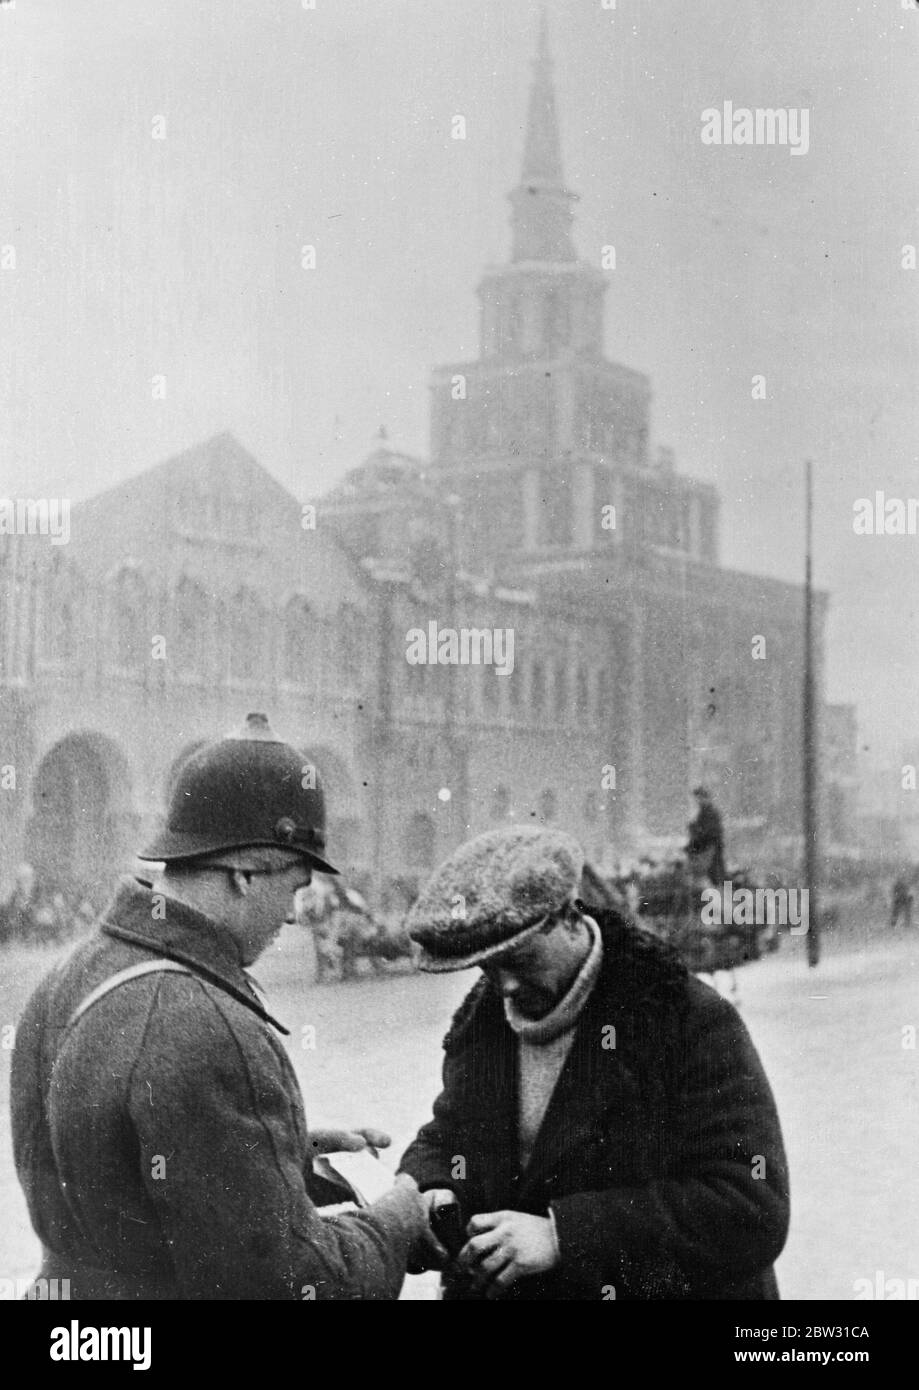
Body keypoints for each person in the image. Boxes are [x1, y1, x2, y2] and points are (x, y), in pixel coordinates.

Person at [11, 712, 430, 1300]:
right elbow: (291, 1286)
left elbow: (115, 1166)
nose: (291, 914)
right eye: (294, 885)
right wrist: (398, 1218)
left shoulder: (69, 973)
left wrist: (276, 1148)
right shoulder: (205, 1023)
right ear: (244, 873)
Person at [399, 825, 790, 1300]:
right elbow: (448, 1134)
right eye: (486, 968)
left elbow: (751, 1207)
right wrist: (432, 1187)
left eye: (519, 960)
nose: (503, 987)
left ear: (566, 916)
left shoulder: (685, 1020)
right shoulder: (483, 1027)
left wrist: (564, 1234)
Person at [686, 785, 727, 885]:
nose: (697, 801)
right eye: (697, 798)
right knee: (714, 877)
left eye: (699, 798)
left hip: (709, 851)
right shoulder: (705, 813)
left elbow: (708, 833)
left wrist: (695, 831)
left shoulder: (709, 813)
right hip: (707, 851)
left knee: (714, 877)